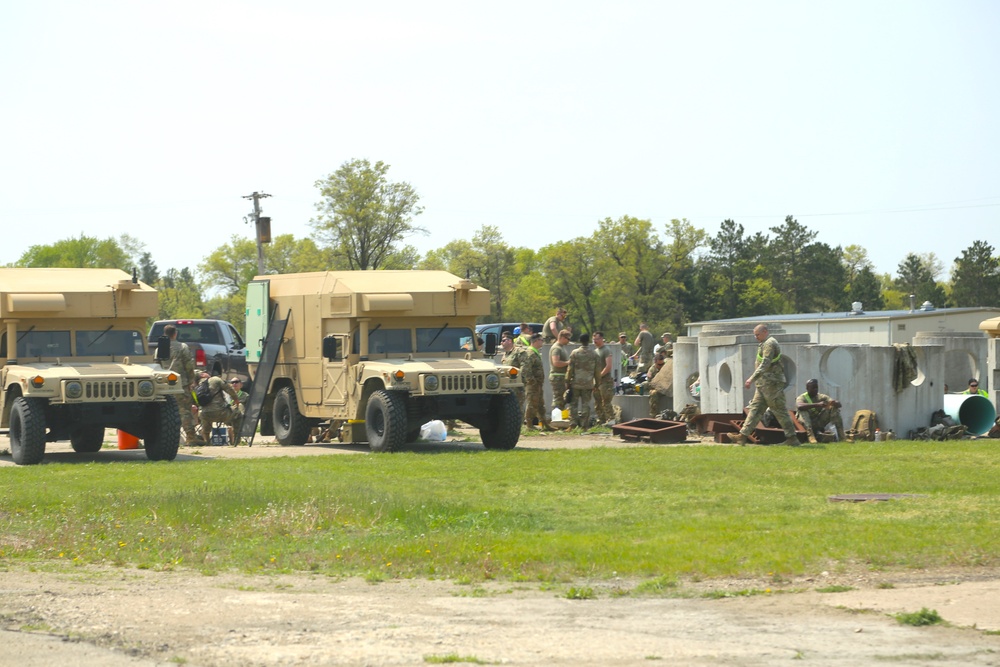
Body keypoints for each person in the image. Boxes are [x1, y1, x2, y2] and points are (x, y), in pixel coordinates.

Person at [726, 324, 800, 446]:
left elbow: (765, 363)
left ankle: (792, 438)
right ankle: (742, 436)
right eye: (755, 335)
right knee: (755, 410)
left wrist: (751, 379)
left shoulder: (769, 344)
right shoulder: (765, 343)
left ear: (765, 332)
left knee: (779, 410)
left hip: (772, 384)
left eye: (757, 334)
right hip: (764, 384)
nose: (756, 337)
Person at [159, 324, 200, 445]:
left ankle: (167, 438)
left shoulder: (159, 349)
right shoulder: (182, 347)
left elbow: (156, 365)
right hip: (180, 384)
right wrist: (192, 380)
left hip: (164, 384)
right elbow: (189, 365)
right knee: (184, 411)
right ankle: (191, 437)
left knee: (165, 412)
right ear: (175, 333)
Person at [195, 370, 241, 445]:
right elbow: (229, 389)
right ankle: (236, 441)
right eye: (204, 372)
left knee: (205, 415)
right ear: (203, 375)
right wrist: (236, 399)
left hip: (205, 415)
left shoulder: (197, 386)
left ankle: (207, 442)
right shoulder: (215, 379)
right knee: (238, 414)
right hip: (221, 413)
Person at [566, 333, 599, 429]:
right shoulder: (594, 354)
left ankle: (573, 424)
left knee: (573, 404)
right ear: (588, 341)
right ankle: (584, 425)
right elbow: (597, 371)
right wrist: (597, 383)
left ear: (580, 341)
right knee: (586, 404)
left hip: (576, 383)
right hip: (588, 384)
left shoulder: (575, 353)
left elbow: (570, 369)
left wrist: (567, 381)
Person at [795, 378, 845, 443]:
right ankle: (811, 436)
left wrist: (835, 403)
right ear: (807, 388)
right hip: (805, 425)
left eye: (816, 387)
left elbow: (839, 405)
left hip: (817, 423)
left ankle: (842, 437)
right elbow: (799, 406)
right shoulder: (802, 397)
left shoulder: (821, 397)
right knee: (803, 410)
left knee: (833, 408)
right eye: (813, 388)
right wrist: (817, 405)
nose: (815, 390)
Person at [522, 333, 554, 430]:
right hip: (533, 384)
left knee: (540, 404)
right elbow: (525, 370)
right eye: (541, 340)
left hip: (538, 384)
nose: (542, 342)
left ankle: (544, 424)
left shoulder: (535, 352)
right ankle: (529, 424)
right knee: (532, 403)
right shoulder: (530, 353)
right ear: (535, 341)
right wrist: (532, 382)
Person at [500, 333, 528, 416]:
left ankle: (520, 425)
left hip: (517, 385)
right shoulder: (505, 354)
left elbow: (524, 366)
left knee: (518, 406)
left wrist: (521, 380)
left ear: (509, 341)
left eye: (503, 340)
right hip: (507, 386)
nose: (501, 343)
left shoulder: (518, 351)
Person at [592, 331, 614, 424]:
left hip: (605, 381)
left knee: (606, 401)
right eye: (593, 339)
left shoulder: (606, 350)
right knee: (597, 402)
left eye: (596, 339)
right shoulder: (595, 351)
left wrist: (600, 376)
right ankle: (601, 420)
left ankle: (611, 420)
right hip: (596, 381)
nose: (595, 341)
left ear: (601, 339)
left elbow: (608, 366)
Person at [549, 329, 572, 413]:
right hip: (557, 376)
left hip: (561, 376)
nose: (568, 341)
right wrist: (569, 362)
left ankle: (560, 416)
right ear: (562, 337)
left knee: (562, 398)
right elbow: (556, 363)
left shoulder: (561, 347)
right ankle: (556, 417)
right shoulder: (556, 348)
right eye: (567, 339)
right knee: (558, 399)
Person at [227, 377, 250, 444]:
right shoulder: (227, 395)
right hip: (227, 416)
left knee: (240, 405)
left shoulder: (245, 395)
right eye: (232, 382)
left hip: (240, 417)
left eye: (236, 382)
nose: (234, 384)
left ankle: (235, 441)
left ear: (241, 385)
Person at [645, 353, 668, 417]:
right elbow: (650, 382)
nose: (661, 366)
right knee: (642, 385)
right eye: (659, 365)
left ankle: (653, 414)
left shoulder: (666, 368)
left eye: (662, 364)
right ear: (655, 363)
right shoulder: (652, 370)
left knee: (653, 393)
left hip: (665, 387)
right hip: (656, 386)